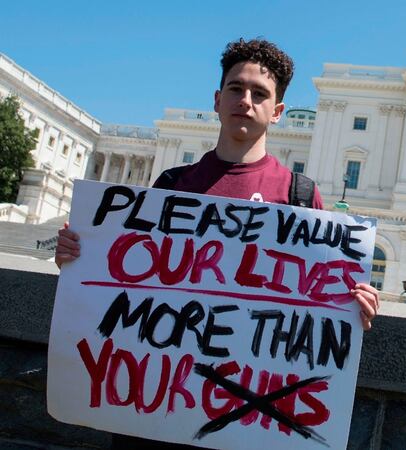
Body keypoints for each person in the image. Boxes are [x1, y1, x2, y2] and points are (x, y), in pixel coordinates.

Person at [55, 39, 380, 449]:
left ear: (277, 112)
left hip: (246, 423)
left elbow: (317, 306)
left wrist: (352, 309)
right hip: (160, 411)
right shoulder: (172, 186)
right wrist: (78, 259)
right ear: (217, 99)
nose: (245, 100)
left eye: (259, 94)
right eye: (236, 89)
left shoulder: (300, 196)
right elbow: (128, 282)